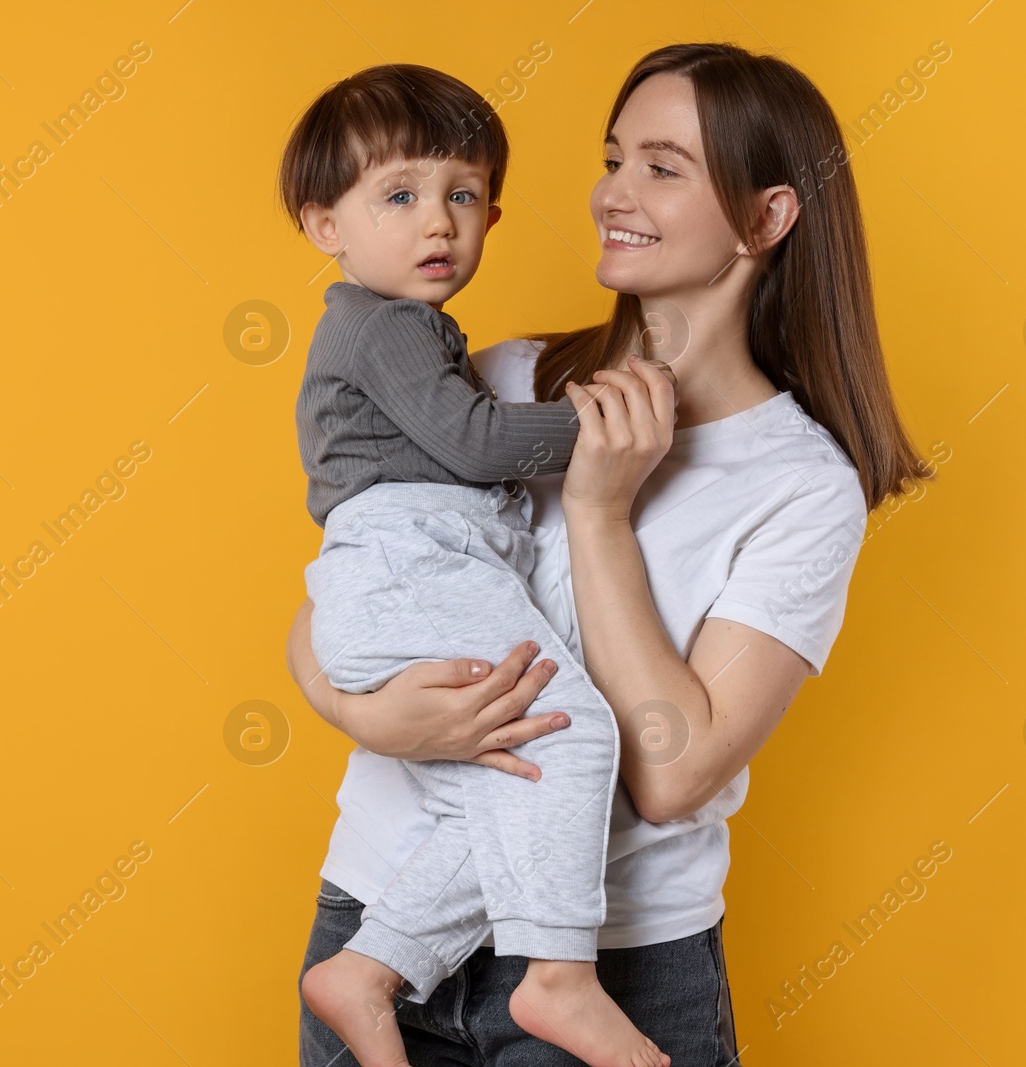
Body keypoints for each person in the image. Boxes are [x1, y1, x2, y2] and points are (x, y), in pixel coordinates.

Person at [288, 41, 936, 1065]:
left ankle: (555, 979)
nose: (611, 194)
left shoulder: (800, 483)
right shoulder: (495, 377)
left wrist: (596, 512)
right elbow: (346, 592)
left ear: (766, 218)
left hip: (617, 961)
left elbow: (671, 773)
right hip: (370, 922)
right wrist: (363, 710)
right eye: (612, 156)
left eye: (662, 167)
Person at [280, 63, 674, 1067]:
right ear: (326, 225)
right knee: (573, 731)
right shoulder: (383, 326)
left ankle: (370, 965)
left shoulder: (407, 328)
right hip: (412, 558)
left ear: (494, 213)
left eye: (461, 196)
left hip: (404, 571)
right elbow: (476, 445)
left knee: (504, 780)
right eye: (400, 196)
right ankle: (559, 977)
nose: (437, 224)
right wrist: (606, 424)